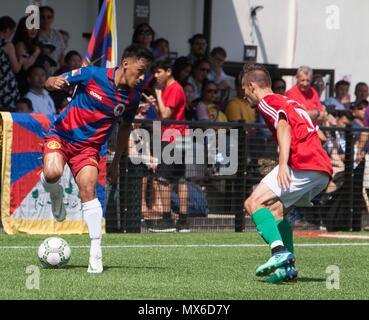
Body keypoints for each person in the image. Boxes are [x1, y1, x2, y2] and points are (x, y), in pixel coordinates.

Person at [41, 44, 154, 273]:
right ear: (125, 63)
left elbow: (124, 130)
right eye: (140, 70)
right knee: (52, 174)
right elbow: (53, 81)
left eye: (146, 73)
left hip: (89, 149)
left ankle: (95, 252)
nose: (142, 77)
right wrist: (51, 82)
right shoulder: (92, 74)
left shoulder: (132, 99)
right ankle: (56, 196)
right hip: (62, 135)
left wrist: (114, 164)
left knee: (89, 192)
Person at [242, 63, 332, 283]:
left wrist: (283, 163)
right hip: (321, 170)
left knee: (253, 203)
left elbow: (283, 127)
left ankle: (279, 252)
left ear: (252, 86)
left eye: (244, 90)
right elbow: (322, 137)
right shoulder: (293, 102)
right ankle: (288, 268)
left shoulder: (267, 102)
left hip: (302, 164)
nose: (244, 96)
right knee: (275, 211)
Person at [143, 58, 189, 232]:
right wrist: (157, 103)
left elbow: (165, 114)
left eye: (159, 72)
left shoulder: (173, 88)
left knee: (162, 179)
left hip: (171, 138)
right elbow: (166, 113)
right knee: (180, 179)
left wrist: (159, 96)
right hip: (178, 137)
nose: (156, 76)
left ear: (168, 71)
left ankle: (167, 220)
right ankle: (183, 222)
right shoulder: (175, 88)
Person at [0, 16, 22, 110]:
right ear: (8, 30)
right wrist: (21, 61)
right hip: (6, 87)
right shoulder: (7, 45)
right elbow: (16, 68)